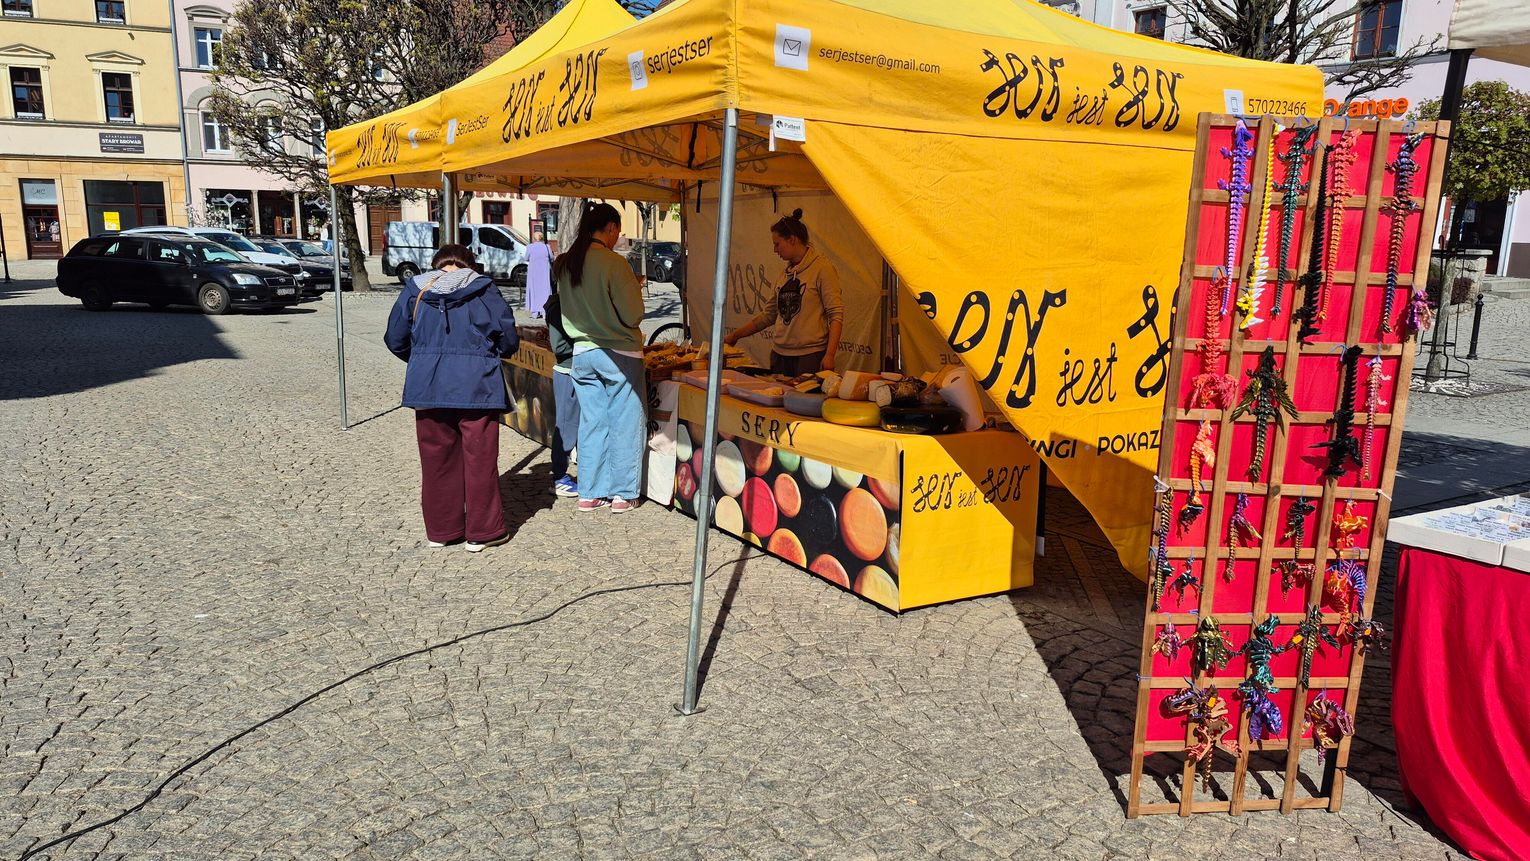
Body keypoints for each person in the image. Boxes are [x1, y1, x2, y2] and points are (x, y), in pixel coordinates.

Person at [384, 244, 520, 551]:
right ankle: (483, 532)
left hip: (429, 385)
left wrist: (423, 359)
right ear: (470, 265)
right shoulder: (484, 289)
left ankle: (442, 530)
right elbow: (507, 337)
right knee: (480, 460)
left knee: (436, 460)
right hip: (477, 384)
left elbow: (395, 338)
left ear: (437, 265)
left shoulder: (415, 289)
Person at [555, 203, 646, 514]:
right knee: (625, 421)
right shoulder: (614, 263)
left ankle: (590, 492)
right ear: (610, 228)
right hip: (619, 352)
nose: (618, 236)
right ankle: (623, 494)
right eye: (617, 231)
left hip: (582, 353)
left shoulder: (568, 263)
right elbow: (633, 314)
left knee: (592, 422)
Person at [723, 208, 844, 375]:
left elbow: (836, 314)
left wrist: (830, 355)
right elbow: (768, 316)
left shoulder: (823, 269)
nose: (775, 250)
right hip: (780, 355)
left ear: (792, 239)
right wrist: (735, 335)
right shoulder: (784, 275)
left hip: (809, 356)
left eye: (777, 244)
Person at [543, 277, 581, 499]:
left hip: (573, 369)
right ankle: (559, 476)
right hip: (568, 370)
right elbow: (559, 345)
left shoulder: (564, 302)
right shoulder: (559, 305)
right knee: (566, 426)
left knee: (575, 424)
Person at [523, 233, 555, 318]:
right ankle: (545, 311)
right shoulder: (547, 247)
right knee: (545, 290)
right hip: (544, 272)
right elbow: (552, 258)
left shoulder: (530, 247)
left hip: (533, 272)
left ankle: (535, 312)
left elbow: (526, 258)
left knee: (534, 290)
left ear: (534, 238)